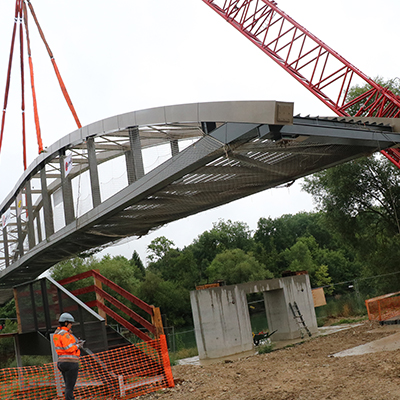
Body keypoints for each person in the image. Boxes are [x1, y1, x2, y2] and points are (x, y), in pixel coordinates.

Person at [53, 313, 84, 400]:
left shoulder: (57, 334)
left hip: (61, 362)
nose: (71, 325)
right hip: (70, 362)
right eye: (71, 323)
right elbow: (69, 348)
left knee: (68, 386)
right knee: (69, 388)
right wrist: (78, 346)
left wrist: (75, 344)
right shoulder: (65, 334)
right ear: (66, 323)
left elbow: (63, 347)